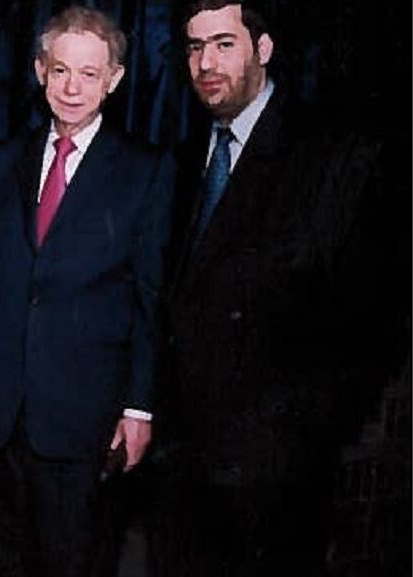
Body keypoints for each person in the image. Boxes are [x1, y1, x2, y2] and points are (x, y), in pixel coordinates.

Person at [155, 1, 404, 574]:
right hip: (184, 466)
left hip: (276, 474)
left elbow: (376, 316)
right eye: (195, 47)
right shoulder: (186, 156)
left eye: (224, 44)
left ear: (263, 49)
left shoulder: (334, 157)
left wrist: (311, 432)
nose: (206, 63)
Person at [0, 6, 174, 577]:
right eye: (61, 70)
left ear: (114, 79)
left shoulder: (145, 170)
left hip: (86, 417)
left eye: (89, 74)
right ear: (40, 70)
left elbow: (149, 298)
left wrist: (138, 406)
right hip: (5, 415)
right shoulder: (3, 161)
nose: (72, 88)